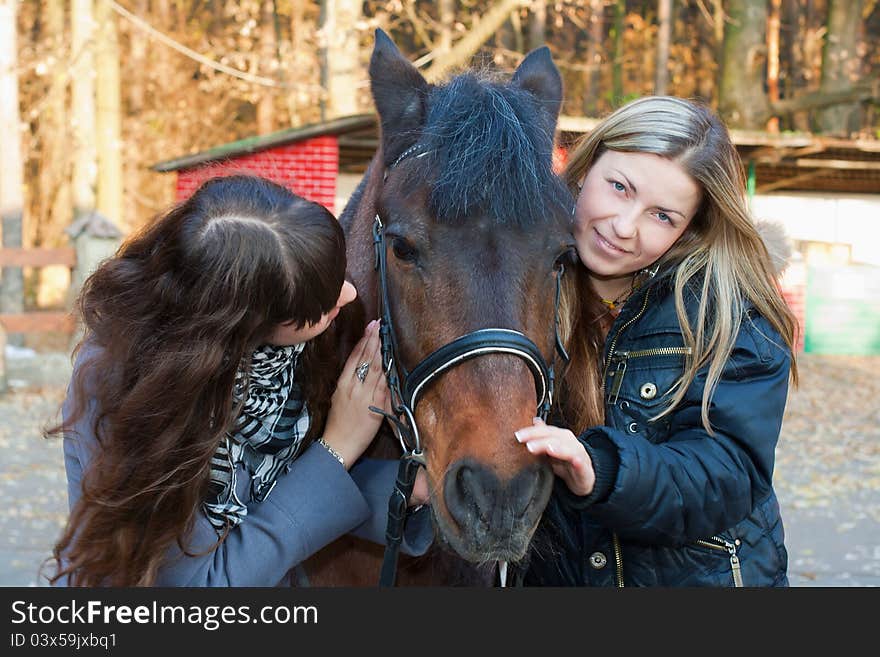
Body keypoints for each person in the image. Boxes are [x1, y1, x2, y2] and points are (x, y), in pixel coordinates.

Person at [47, 174, 430, 587]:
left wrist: (411, 484)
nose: (347, 297)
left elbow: (281, 486)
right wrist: (338, 447)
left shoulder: (284, 352)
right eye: (320, 304)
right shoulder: (124, 387)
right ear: (247, 324)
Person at [514, 96, 799, 587]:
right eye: (619, 187)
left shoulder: (730, 311)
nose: (624, 227)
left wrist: (600, 469)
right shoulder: (515, 280)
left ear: (693, 227)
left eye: (662, 216)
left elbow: (725, 475)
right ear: (587, 165)